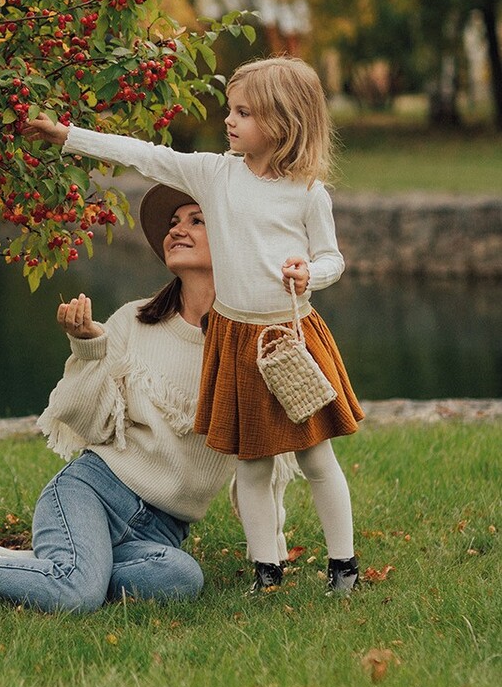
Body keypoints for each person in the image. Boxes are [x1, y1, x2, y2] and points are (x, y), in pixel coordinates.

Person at [20, 55, 363, 595]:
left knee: (316, 456)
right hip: (234, 335)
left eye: (243, 112)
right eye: (231, 109)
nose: (229, 121)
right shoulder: (215, 174)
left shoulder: (307, 194)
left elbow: (332, 258)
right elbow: (145, 156)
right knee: (251, 460)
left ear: (283, 123)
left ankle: (343, 566)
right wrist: (69, 135)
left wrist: (309, 273)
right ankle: (265, 570)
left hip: (288, 336)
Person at [0, 185, 289, 610]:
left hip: (163, 531)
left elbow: (265, 454)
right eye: (174, 223)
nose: (177, 230)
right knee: (79, 594)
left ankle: (38, 567)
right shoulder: (135, 321)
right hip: (92, 492)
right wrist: (89, 348)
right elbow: (92, 426)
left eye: (197, 221)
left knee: (181, 578)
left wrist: (268, 553)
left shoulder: (248, 341)